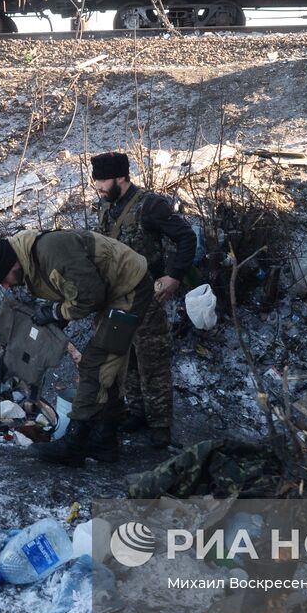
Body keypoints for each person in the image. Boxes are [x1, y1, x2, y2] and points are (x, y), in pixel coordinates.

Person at [0, 228, 154, 466]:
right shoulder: (31, 260)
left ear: (12, 263)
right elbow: (71, 287)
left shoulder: (50, 251)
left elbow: (91, 295)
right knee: (105, 368)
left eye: (4, 279)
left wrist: (55, 312)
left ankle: (74, 443)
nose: (6, 287)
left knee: (96, 363)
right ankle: (105, 441)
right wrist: (57, 316)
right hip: (111, 290)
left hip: (129, 288)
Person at [90, 151, 196, 448]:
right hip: (117, 298)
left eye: (102, 180)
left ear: (121, 177)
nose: (97, 186)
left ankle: (161, 425)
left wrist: (174, 276)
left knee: (153, 361)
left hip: (146, 298)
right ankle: (136, 412)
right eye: (96, 180)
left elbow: (186, 237)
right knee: (128, 360)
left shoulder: (151, 206)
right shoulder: (107, 206)